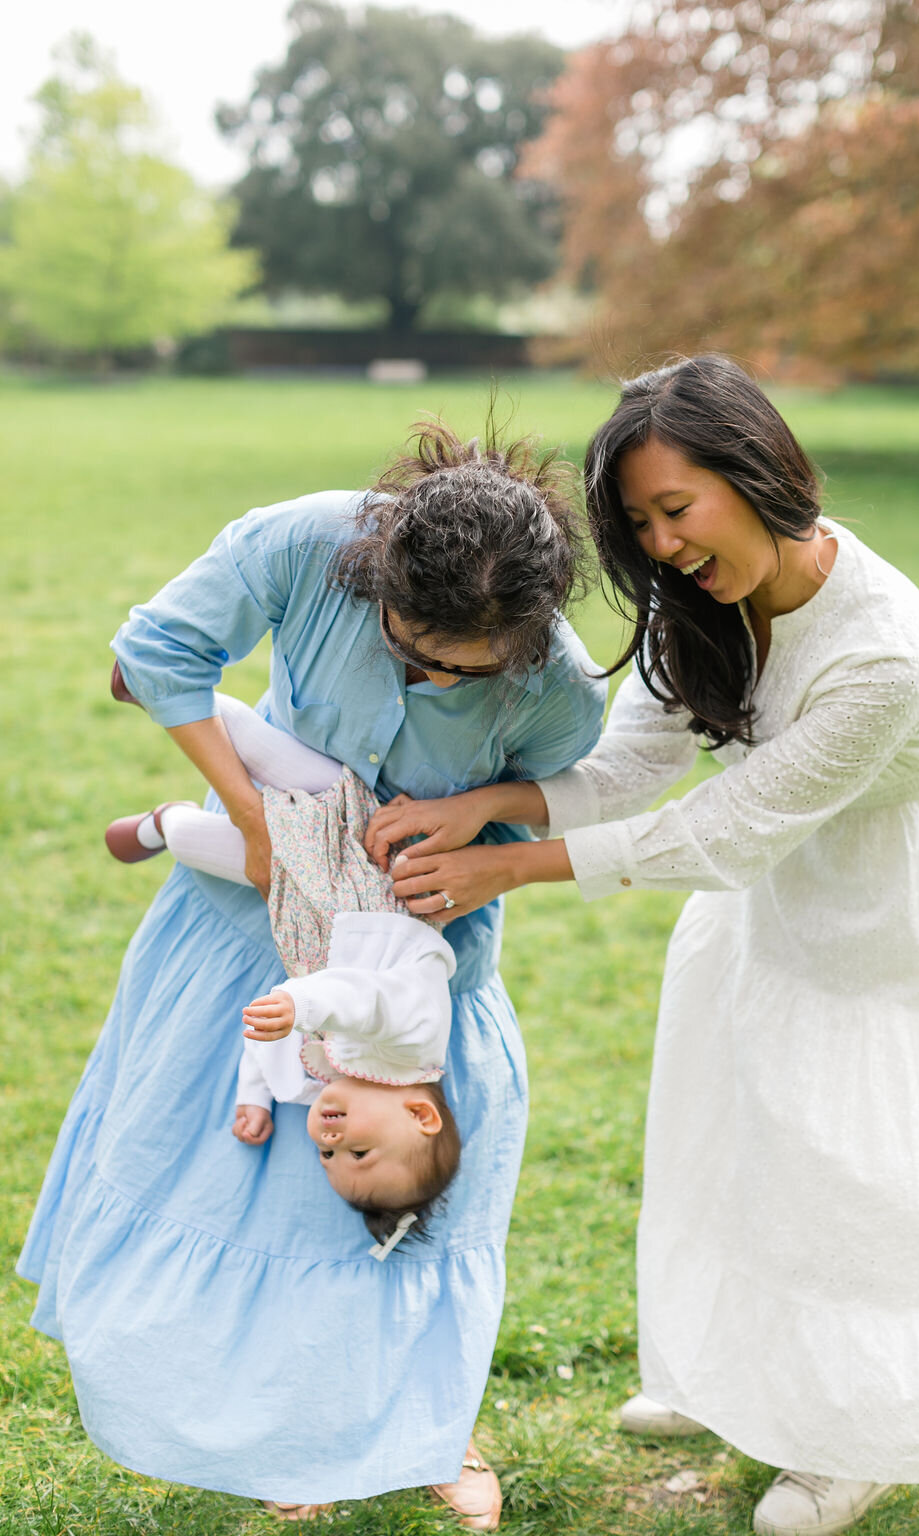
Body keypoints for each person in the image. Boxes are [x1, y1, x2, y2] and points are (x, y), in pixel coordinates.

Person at [364, 357, 919, 1536]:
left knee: (866, 1166)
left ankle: (852, 1436)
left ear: (759, 474)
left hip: (894, 915)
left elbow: (725, 826)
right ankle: (742, 1373)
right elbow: (634, 769)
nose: (661, 546)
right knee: (752, 1136)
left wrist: (505, 865)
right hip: (773, 902)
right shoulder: (704, 604)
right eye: (639, 524)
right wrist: (496, 806)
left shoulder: (884, 652)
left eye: (677, 510)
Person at [18, 423, 606, 1528]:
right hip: (244, 929)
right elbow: (155, 656)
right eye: (411, 646)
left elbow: (589, 791)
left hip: (414, 970)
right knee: (264, 1182)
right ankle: (291, 1425)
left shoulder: (559, 687)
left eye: (459, 671)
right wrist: (252, 820)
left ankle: (431, 1424)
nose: (428, 674)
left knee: (404, 1195)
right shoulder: (305, 540)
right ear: (379, 573)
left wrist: (487, 829)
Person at [106, 692, 461, 1243]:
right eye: (358, 1150)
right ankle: (164, 685)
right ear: (422, 1116)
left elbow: (268, 1043)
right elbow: (364, 999)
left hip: (299, 899)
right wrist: (301, 1004)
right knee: (254, 740)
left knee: (193, 841)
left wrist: (255, 1096)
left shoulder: (320, 1078)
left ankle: (162, 822)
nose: (329, 1139)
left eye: (326, 1154)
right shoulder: (414, 1044)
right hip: (366, 864)